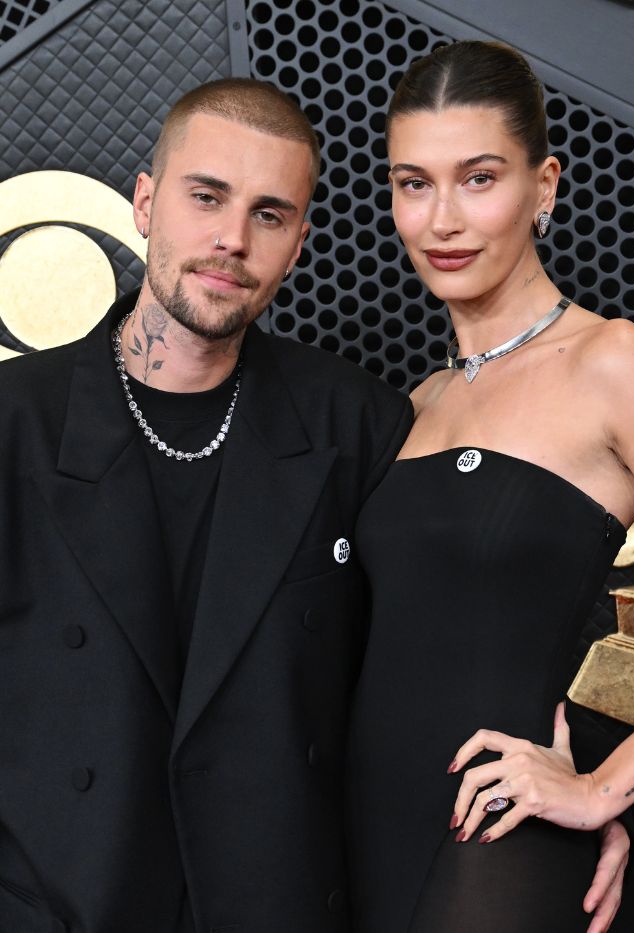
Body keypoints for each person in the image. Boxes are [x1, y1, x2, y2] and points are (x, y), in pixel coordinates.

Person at [0, 78, 415, 933]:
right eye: (207, 197)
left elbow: (426, 664)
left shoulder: (358, 422)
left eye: (270, 214)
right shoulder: (14, 422)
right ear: (146, 203)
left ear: (298, 242)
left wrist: (552, 805)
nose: (231, 239)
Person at [346, 39, 634, 932]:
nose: (441, 220)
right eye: (413, 183)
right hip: (357, 832)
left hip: (495, 838)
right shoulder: (414, 404)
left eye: (478, 177)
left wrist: (599, 789)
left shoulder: (612, 362)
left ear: (543, 186)